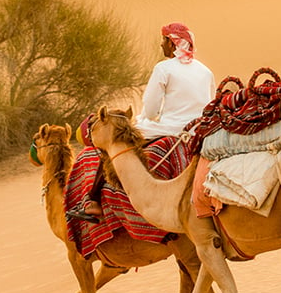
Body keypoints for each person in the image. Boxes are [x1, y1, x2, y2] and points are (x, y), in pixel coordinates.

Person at [68, 22, 215, 222]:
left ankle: (93, 202)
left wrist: (143, 120)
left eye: (163, 40)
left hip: (170, 128)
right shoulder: (206, 71)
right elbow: (209, 104)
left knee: (114, 143)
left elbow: (151, 107)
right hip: (199, 131)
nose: (161, 45)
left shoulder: (164, 68)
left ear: (173, 44)